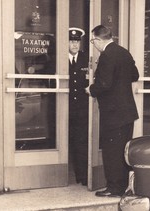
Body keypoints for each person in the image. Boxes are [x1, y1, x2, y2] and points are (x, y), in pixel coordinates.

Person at [85, 25, 139, 197]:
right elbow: (134, 75)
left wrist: (91, 90)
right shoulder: (124, 52)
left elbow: (104, 84)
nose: (94, 44)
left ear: (100, 40)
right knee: (122, 150)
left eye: (93, 41)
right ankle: (123, 186)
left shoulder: (107, 55)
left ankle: (114, 188)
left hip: (113, 112)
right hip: (127, 112)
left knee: (111, 150)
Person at [68, 27, 89, 186]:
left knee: (80, 142)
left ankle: (82, 176)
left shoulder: (86, 59)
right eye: (71, 41)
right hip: (63, 107)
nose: (74, 44)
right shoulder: (58, 58)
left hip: (81, 109)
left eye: (76, 41)